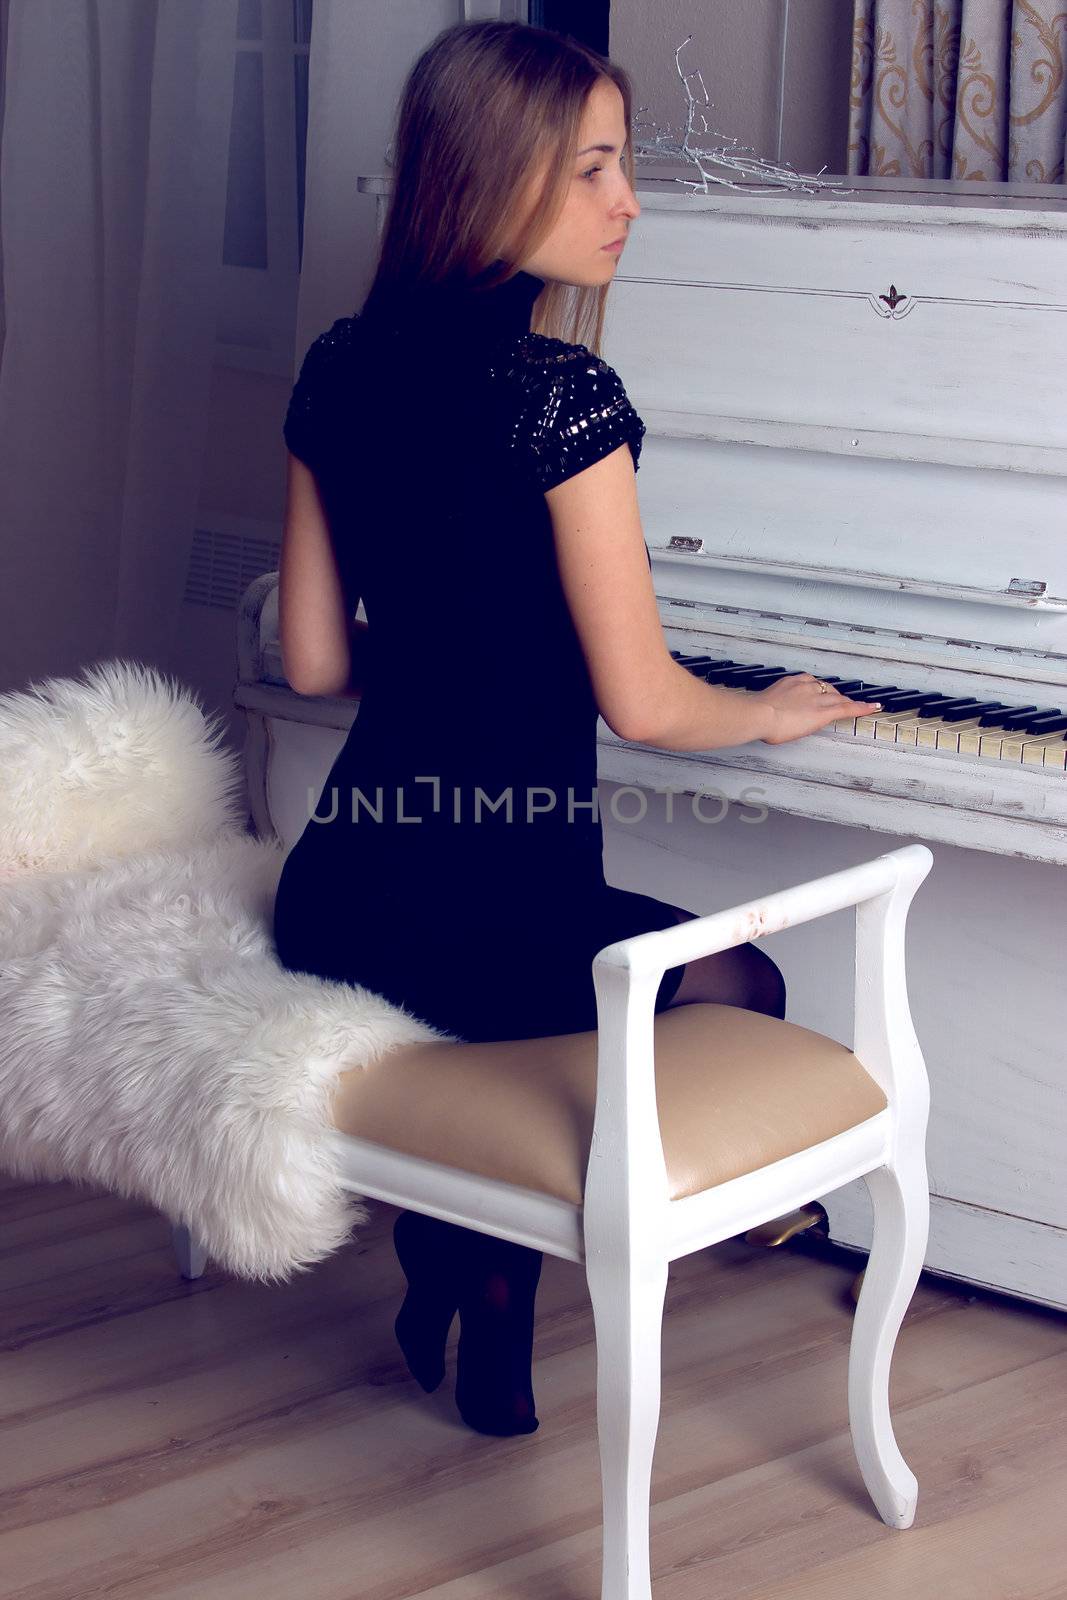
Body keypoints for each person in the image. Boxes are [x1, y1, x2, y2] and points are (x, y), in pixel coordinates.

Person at [272, 19, 880, 1440]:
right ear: (491, 179)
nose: (630, 202)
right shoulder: (562, 398)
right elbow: (649, 703)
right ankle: (491, 1281)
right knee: (742, 989)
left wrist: (455, 648)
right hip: (496, 895)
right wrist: (774, 712)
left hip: (346, 889)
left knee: (567, 987)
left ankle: (469, 1288)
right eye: (594, 167)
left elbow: (310, 658)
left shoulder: (336, 367)